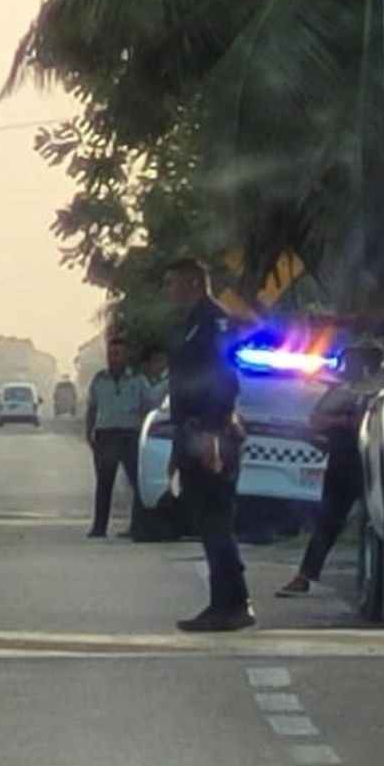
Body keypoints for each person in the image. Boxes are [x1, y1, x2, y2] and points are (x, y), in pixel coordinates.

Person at [162, 257, 256, 632]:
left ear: (194, 285)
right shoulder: (191, 325)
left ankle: (232, 603)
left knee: (216, 521)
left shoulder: (212, 323)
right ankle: (225, 601)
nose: (167, 291)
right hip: (192, 431)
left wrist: (213, 434)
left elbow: (224, 380)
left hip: (210, 433)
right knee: (208, 521)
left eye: (172, 283)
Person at [275, 342, 383, 597]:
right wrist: (343, 420)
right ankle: (304, 576)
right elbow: (316, 421)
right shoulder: (341, 391)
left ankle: (377, 584)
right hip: (343, 463)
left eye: (353, 363)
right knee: (327, 522)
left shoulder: (381, 390)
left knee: (378, 525)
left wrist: (352, 419)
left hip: (374, 462)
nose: (348, 369)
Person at [84, 334, 147, 538]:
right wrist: (89, 432)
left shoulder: (137, 379)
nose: (114, 358)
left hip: (129, 434)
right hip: (106, 434)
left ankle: (138, 526)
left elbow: (148, 405)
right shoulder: (99, 379)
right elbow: (92, 408)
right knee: (104, 482)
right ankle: (99, 527)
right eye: (111, 354)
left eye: (118, 354)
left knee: (137, 482)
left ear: (126, 355)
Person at [138, 343, 170, 410]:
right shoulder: (135, 384)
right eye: (158, 360)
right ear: (145, 364)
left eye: (165, 361)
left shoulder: (168, 383)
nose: (163, 365)